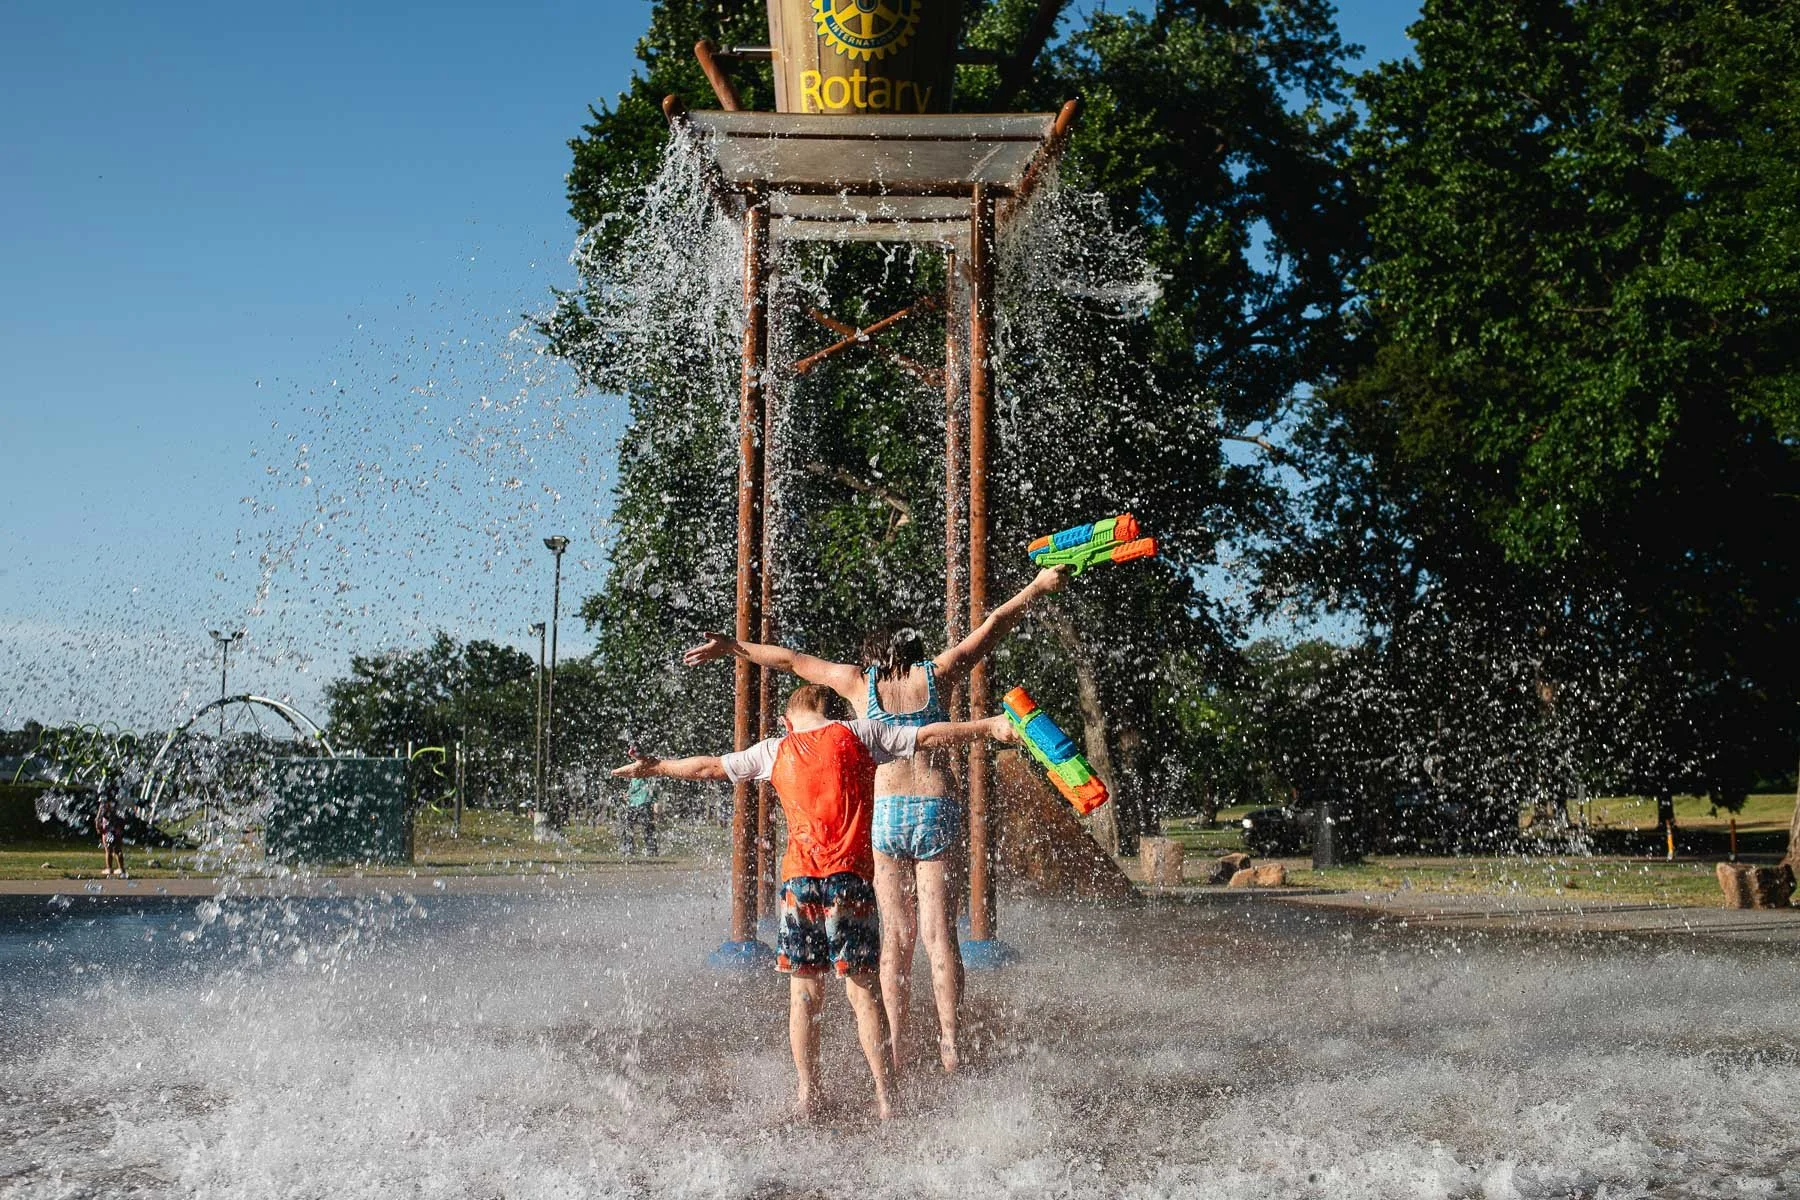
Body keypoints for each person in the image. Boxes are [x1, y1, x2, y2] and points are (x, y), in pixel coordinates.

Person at [682, 565, 1068, 1076]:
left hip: (885, 816)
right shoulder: (940, 671)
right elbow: (994, 623)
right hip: (935, 806)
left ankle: (898, 1047)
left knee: (896, 937)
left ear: (873, 654)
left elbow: (793, 662)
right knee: (939, 936)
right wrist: (1039, 586)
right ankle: (951, 1047)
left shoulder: (856, 683)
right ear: (913, 648)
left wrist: (734, 647)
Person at [612, 684, 1019, 1121]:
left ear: (789, 719)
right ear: (831, 711)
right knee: (863, 994)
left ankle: (807, 1093)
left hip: (799, 887)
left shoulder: (776, 747)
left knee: (804, 995)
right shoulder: (859, 733)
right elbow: (928, 736)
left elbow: (709, 768)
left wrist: (657, 768)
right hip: (849, 885)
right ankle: (886, 1097)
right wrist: (989, 726)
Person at [619, 772, 661, 857]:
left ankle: (650, 849)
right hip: (634, 804)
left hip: (643, 803)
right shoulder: (635, 778)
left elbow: (637, 788)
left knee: (647, 827)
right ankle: (629, 848)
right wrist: (626, 796)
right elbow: (632, 790)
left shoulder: (644, 775)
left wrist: (656, 811)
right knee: (630, 827)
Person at [94, 788, 127, 879]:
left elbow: (98, 818)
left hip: (107, 831)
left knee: (108, 850)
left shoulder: (103, 806)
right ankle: (121, 868)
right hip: (117, 830)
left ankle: (109, 868)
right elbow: (123, 818)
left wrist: (98, 827)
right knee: (118, 849)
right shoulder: (117, 805)